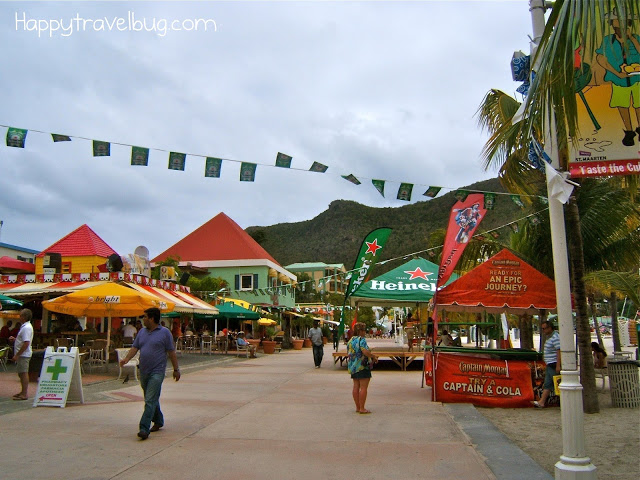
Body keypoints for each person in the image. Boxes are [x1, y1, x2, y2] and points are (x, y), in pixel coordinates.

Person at [119, 307, 180, 440]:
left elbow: (171, 352)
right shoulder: (142, 332)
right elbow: (135, 347)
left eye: (145, 317)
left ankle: (144, 428)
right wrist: (126, 359)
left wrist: (176, 369)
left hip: (157, 371)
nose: (143, 319)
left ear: (152, 318)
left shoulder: (165, 333)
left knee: (150, 399)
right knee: (151, 398)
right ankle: (158, 420)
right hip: (144, 371)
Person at [596, 9, 640, 146]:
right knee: (622, 105)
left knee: (639, 105)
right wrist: (616, 73)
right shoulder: (608, 40)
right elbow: (600, 58)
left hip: (637, 79)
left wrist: (631, 38)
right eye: (616, 22)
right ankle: (629, 132)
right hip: (619, 80)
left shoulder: (636, 38)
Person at [347, 322, 378, 414]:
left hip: (353, 367)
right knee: (363, 387)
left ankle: (357, 407)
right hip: (362, 366)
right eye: (364, 330)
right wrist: (373, 356)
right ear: (360, 331)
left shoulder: (350, 340)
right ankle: (362, 408)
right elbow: (365, 351)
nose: (365, 332)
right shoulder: (362, 340)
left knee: (356, 386)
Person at [534, 320, 561, 408]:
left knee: (556, 383)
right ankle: (542, 401)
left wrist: (558, 365)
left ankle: (562, 401)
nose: (543, 331)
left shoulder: (555, 338)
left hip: (553, 363)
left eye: (544, 329)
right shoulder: (550, 337)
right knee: (548, 383)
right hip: (550, 363)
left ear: (550, 328)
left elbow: (559, 351)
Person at [9, 309, 34, 401]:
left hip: (24, 354)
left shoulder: (26, 328)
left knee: (23, 373)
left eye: (20, 316)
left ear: (24, 317)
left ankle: (24, 393)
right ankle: (22, 391)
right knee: (21, 373)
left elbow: (26, 343)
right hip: (23, 354)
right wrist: (16, 340)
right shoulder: (25, 327)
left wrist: (17, 355)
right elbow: (23, 340)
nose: (19, 317)